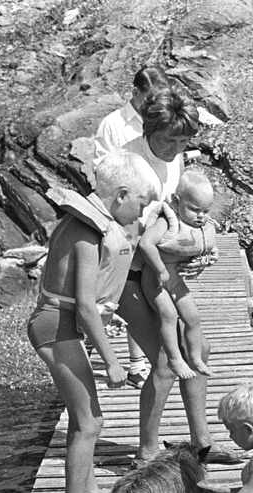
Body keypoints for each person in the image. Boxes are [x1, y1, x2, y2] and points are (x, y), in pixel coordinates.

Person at [26, 151, 158, 493]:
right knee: (89, 422)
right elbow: (83, 306)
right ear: (119, 196)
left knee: (84, 417)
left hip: (62, 323)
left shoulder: (87, 223)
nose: (138, 216)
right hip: (55, 329)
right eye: (139, 205)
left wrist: (107, 316)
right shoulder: (86, 232)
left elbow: (85, 304)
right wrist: (113, 361)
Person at [116, 87, 237, 465]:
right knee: (166, 361)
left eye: (184, 141)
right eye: (170, 140)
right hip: (128, 273)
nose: (176, 148)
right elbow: (119, 225)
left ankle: (202, 442)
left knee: (197, 348)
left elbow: (177, 221)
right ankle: (147, 450)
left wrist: (195, 252)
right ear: (151, 128)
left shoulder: (177, 161)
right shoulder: (127, 160)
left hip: (165, 269)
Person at [94, 64, 170, 388]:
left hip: (152, 216)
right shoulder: (113, 125)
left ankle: (147, 360)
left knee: (145, 289)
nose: (151, 105)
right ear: (135, 92)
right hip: (123, 214)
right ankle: (131, 360)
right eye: (148, 99)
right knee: (123, 287)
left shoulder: (161, 123)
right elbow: (103, 170)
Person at [136, 170, 218, 382]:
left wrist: (206, 259)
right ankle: (174, 358)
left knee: (193, 318)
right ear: (176, 201)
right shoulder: (167, 220)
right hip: (156, 279)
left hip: (177, 279)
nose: (201, 216)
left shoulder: (201, 225)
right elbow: (145, 244)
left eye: (206, 211)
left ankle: (195, 357)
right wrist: (160, 270)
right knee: (169, 315)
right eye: (194, 209)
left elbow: (209, 249)